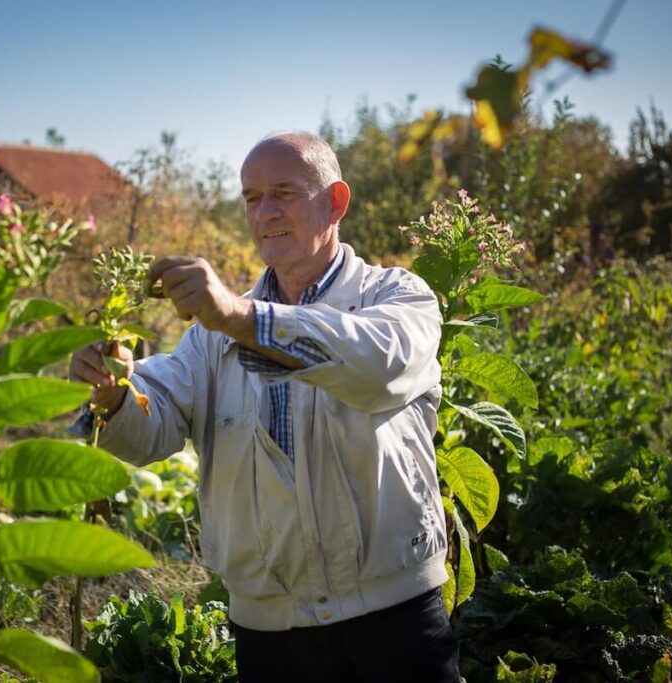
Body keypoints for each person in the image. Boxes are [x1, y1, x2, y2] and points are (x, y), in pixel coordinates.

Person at [69, 131, 459, 682]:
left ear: (336, 201)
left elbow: (383, 365)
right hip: (269, 632)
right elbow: (151, 423)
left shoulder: (396, 297)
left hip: (394, 618)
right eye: (252, 198)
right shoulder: (211, 337)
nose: (265, 212)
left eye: (284, 192)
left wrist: (241, 319)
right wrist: (111, 394)